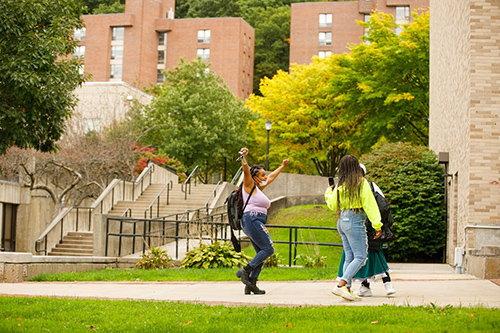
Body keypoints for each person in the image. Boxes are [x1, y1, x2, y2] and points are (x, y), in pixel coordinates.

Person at [324, 155, 382, 301]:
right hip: (354, 220)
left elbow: (332, 205)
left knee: (349, 256)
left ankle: (347, 290)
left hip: (342, 221)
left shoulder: (340, 185)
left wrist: (328, 192)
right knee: (361, 257)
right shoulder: (361, 183)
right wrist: (377, 225)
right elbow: (370, 205)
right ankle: (341, 285)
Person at [235, 147, 289, 295]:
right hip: (252, 220)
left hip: (253, 222)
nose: (266, 177)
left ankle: (251, 285)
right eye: (263, 175)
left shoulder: (257, 188)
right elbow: (246, 170)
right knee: (269, 249)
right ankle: (245, 271)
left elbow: (272, 177)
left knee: (261, 253)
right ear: (255, 176)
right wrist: (244, 158)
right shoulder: (249, 184)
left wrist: (282, 166)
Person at [337, 163, 396, 297]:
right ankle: (364, 286)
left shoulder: (364, 185)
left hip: (366, 225)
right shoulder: (352, 186)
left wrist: (378, 225)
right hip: (363, 224)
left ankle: (385, 284)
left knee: (370, 254)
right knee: (360, 256)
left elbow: (377, 206)